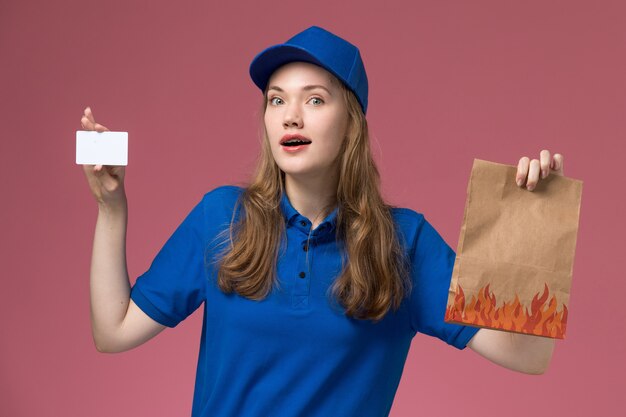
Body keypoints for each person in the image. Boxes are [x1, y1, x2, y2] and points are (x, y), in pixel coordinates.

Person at [81, 26, 563, 417]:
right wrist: (111, 207)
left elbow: (528, 355)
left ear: (351, 121)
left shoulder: (405, 241)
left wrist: (533, 226)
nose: (291, 116)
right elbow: (114, 330)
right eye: (276, 100)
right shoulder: (220, 217)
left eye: (314, 100)